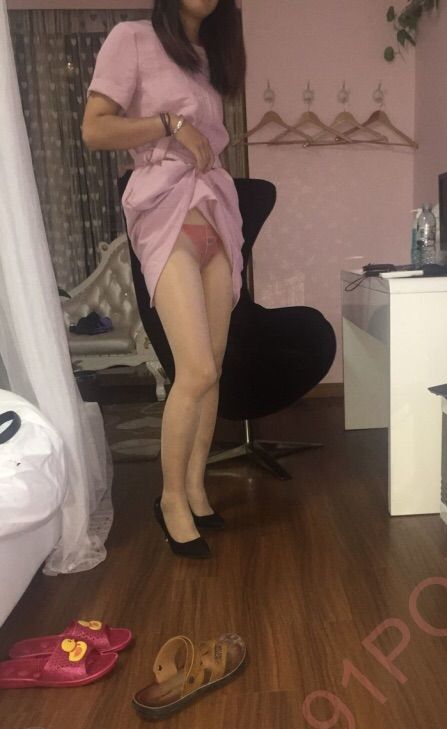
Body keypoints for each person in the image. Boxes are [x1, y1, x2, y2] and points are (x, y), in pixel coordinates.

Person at [82, 0, 245, 559]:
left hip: (215, 214)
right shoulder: (132, 37)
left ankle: (196, 488)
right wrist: (169, 124)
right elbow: (94, 129)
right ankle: (171, 498)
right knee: (194, 367)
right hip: (165, 212)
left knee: (214, 366)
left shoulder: (211, 56)